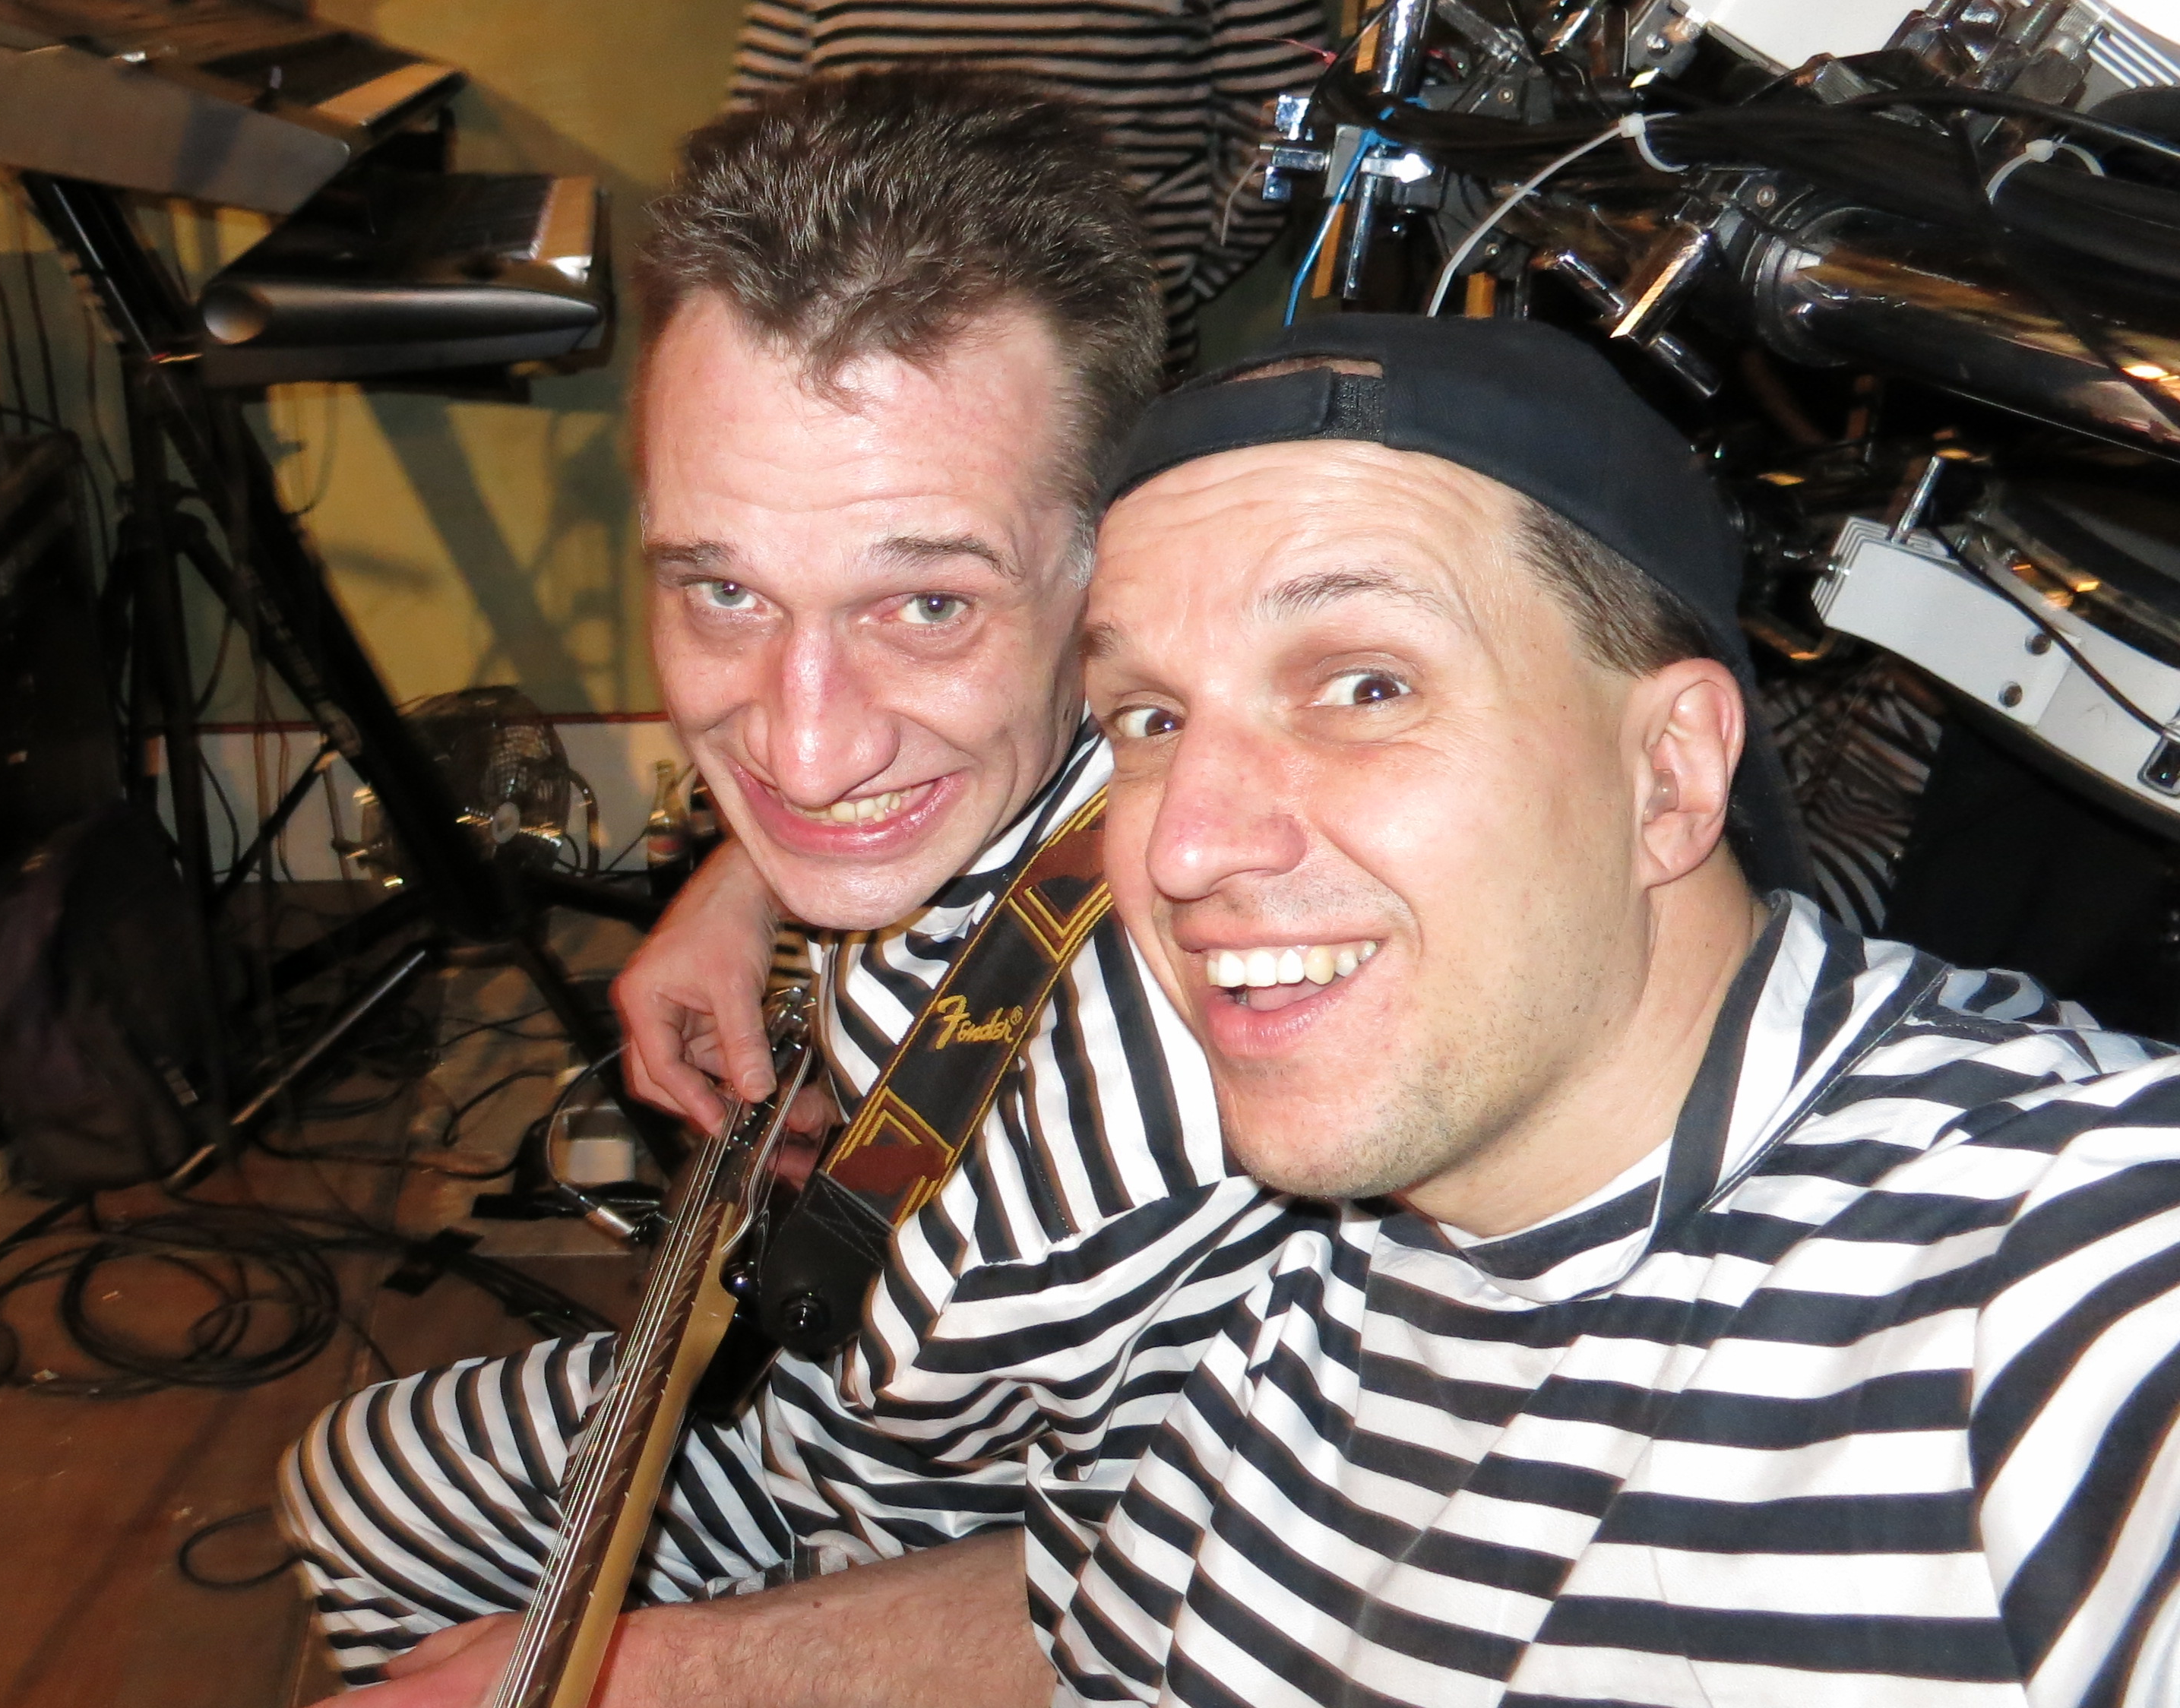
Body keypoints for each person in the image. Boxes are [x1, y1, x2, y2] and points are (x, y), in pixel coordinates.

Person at [278, 70, 1294, 1706]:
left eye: (926, 606)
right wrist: (744, 890)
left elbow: (1198, 1596)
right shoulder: (1039, 758)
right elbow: (821, 796)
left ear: (1114, 563)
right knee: (365, 1480)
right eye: (724, 591)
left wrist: (656, 1671)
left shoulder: (1199, 1101)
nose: (805, 752)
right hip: (838, 1386)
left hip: (1003, 1560)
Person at [1065, 312, 2180, 1702]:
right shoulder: (1294, 1287)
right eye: (1148, 720)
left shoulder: (2073, 1259)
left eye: (1365, 686)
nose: (1184, 847)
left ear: (1670, 772)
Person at [729, 0, 1327, 373]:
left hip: (1102, 351)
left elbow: (1290, 125)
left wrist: (1169, 278)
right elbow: (757, 147)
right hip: (852, 345)